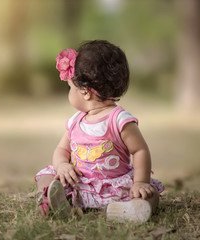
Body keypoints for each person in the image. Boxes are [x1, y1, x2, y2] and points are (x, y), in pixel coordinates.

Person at [34, 40, 164, 223]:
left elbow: (140, 150)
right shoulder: (75, 121)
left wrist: (140, 182)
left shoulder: (119, 120)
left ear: (85, 92)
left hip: (116, 188)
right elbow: (61, 150)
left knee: (149, 192)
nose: (69, 92)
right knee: (48, 175)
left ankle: (132, 209)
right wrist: (62, 165)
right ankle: (52, 199)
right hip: (79, 184)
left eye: (71, 88)